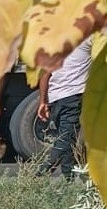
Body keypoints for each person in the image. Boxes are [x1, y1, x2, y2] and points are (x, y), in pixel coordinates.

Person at [37, 36, 92, 181]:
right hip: (73, 97)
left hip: (56, 98)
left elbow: (44, 73)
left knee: (70, 141)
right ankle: (38, 177)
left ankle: (69, 180)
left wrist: (43, 101)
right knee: (65, 141)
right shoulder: (88, 39)